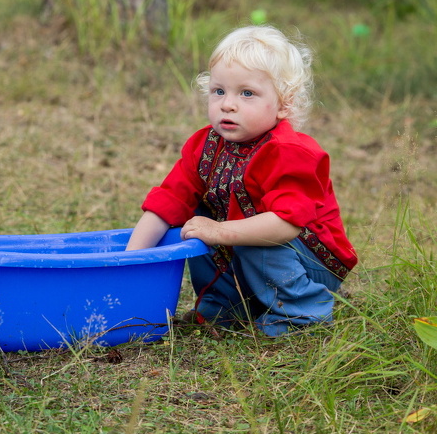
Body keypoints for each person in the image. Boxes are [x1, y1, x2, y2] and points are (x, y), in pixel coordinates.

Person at [126, 25, 357, 337]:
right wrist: (129, 262)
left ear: (284, 104)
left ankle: (303, 313)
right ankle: (224, 310)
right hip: (256, 253)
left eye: (247, 93)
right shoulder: (203, 146)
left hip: (311, 262)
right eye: (219, 91)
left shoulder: (289, 151)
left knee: (242, 229)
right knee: (196, 223)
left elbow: (286, 224)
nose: (228, 104)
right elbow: (168, 203)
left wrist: (221, 231)